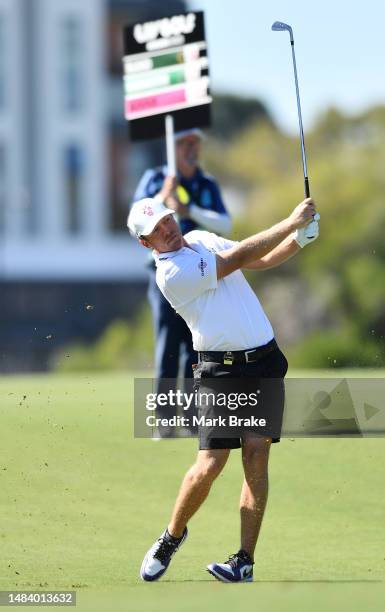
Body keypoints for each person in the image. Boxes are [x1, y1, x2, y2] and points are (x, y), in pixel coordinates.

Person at [127, 195, 319, 582]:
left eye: (167, 220)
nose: (168, 229)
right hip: (221, 373)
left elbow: (257, 259)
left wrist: (300, 239)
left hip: (264, 363)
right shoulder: (172, 273)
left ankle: (244, 561)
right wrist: (290, 221)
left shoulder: (201, 238)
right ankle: (171, 536)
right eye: (157, 231)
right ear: (146, 243)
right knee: (211, 464)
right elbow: (234, 260)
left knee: (256, 458)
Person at [132, 129, 231, 434]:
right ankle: (163, 420)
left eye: (195, 144)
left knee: (194, 343)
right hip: (164, 272)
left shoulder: (206, 183)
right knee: (168, 341)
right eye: (184, 143)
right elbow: (137, 218)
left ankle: (191, 416)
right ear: (172, 147)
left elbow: (225, 222)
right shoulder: (155, 176)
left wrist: (188, 210)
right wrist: (164, 195)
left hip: (197, 269)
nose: (191, 149)